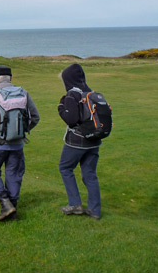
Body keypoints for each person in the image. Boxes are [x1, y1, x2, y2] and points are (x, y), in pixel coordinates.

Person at [0, 65, 40, 222]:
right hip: (17, 144)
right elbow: (35, 117)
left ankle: (5, 202)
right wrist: (22, 131)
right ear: (11, 78)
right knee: (14, 173)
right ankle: (13, 207)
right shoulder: (23, 93)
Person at [57, 63, 103, 220]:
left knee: (65, 168)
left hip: (77, 141)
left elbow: (71, 120)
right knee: (90, 174)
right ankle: (95, 211)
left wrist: (60, 108)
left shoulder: (72, 94)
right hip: (95, 140)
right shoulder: (91, 92)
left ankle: (75, 204)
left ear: (67, 80)